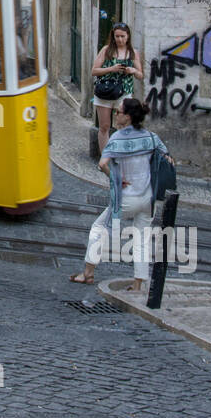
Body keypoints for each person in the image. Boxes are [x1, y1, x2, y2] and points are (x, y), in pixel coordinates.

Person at [70, 99, 172, 290]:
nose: (115, 114)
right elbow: (167, 157)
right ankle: (138, 284)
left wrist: (116, 179)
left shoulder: (117, 139)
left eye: (118, 112)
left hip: (126, 198)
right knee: (142, 239)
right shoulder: (151, 137)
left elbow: (103, 164)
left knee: (99, 228)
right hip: (148, 198)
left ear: (128, 116)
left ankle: (88, 273)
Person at [91, 22, 142, 153]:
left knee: (124, 126)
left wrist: (133, 71)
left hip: (124, 92)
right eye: (117, 36)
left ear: (128, 36)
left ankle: (121, 155)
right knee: (104, 126)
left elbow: (140, 75)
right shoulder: (106, 50)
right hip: (105, 92)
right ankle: (105, 158)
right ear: (113, 36)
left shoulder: (133, 53)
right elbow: (94, 71)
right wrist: (111, 69)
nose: (120, 39)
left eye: (122, 36)